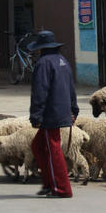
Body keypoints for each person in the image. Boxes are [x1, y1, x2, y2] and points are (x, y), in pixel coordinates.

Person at [28, 30, 78, 198]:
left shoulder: (43, 63)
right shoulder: (62, 61)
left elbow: (40, 92)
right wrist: (73, 109)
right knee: (38, 146)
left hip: (51, 113)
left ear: (41, 48)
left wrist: (36, 115)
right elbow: (71, 87)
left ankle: (62, 188)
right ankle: (50, 183)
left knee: (53, 148)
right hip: (62, 109)